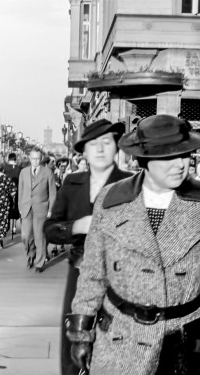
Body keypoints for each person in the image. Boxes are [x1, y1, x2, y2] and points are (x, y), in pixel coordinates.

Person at [66, 114, 200, 374]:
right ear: (145, 160)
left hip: (184, 346)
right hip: (120, 341)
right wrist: (81, 333)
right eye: (168, 157)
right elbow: (94, 272)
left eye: (185, 155)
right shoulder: (112, 199)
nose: (180, 165)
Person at [43, 119, 131, 375]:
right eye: (94, 144)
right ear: (84, 151)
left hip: (121, 275)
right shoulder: (72, 183)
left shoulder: (131, 184)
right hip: (79, 271)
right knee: (74, 338)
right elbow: (50, 229)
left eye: (107, 143)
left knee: (114, 339)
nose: (101, 149)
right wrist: (76, 226)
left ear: (117, 148)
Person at [18, 149, 57, 272]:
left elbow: (53, 194)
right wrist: (20, 206)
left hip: (41, 208)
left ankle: (40, 263)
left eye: (37, 158)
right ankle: (31, 254)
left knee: (39, 236)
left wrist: (50, 210)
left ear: (41, 159)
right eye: (33, 158)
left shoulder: (48, 173)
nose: (35, 161)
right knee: (25, 236)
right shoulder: (23, 172)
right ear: (29, 158)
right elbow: (21, 190)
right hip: (26, 208)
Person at [4, 152, 21, 235]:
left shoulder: (5, 167)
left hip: (7, 190)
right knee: (15, 207)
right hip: (17, 190)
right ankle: (14, 226)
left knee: (7, 207)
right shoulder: (18, 168)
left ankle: (7, 225)